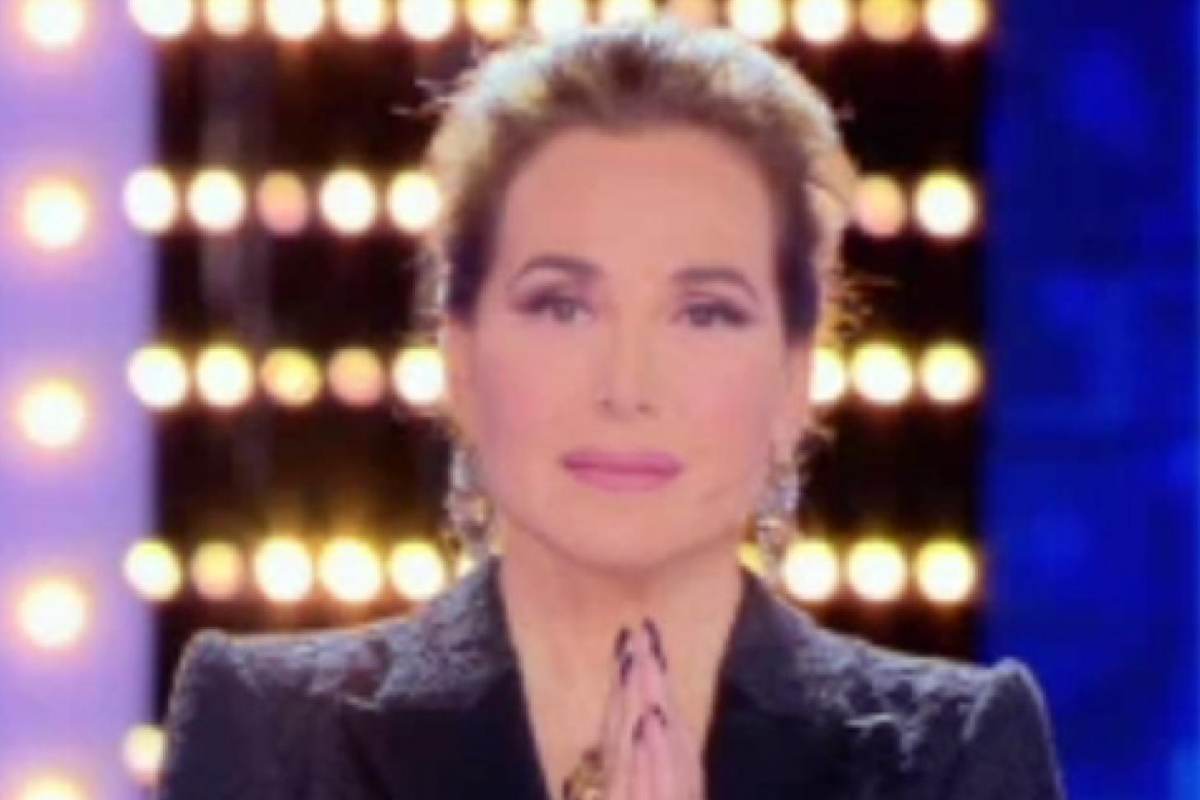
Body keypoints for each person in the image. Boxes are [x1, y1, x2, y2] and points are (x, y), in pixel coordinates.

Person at [157, 17, 1067, 800]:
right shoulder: (274, 734)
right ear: (459, 355)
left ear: (796, 375)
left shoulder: (949, 753)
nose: (627, 387)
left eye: (704, 313)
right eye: (563, 306)